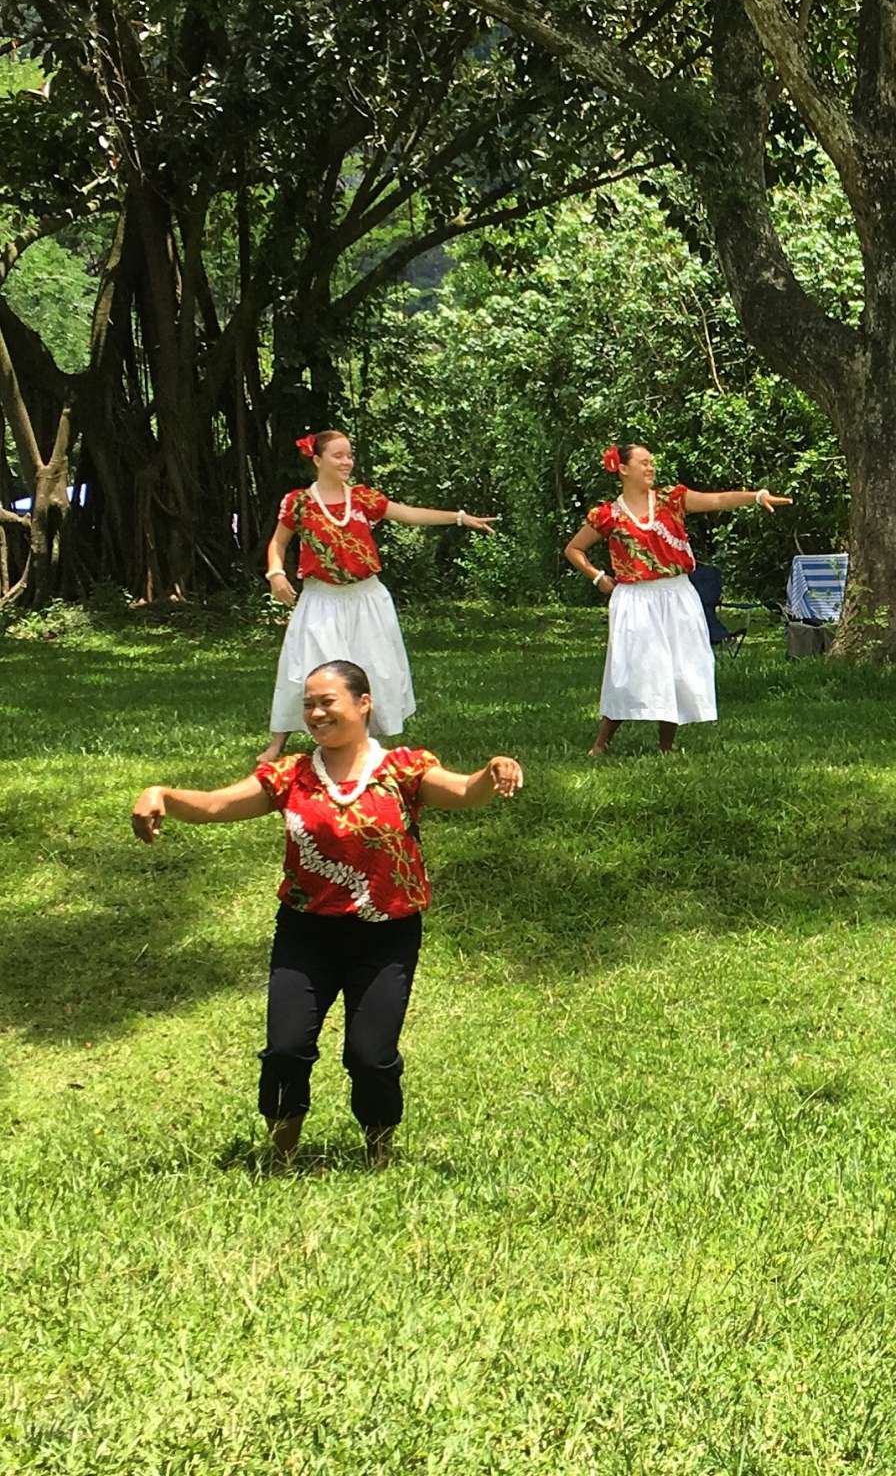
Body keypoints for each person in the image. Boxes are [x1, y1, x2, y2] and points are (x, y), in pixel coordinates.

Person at [131, 659, 523, 1167]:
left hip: (386, 934)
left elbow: (465, 792)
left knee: (370, 1056)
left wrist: (493, 770)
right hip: (306, 934)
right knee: (285, 1050)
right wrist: (162, 794)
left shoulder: (403, 769)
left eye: (327, 702)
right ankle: (281, 1156)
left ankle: (379, 1153)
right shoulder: (290, 774)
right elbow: (214, 805)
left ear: (364, 703)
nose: (316, 713)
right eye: (309, 705)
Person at [259, 430, 498, 764]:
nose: (347, 462)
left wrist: (458, 518)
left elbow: (408, 514)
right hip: (321, 600)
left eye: (349, 455)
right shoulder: (299, 502)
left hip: (366, 598)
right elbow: (279, 542)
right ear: (317, 460)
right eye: (338, 456)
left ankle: (366, 742)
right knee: (309, 668)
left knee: (371, 667)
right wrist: (276, 573)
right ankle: (278, 742)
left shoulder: (362, 498)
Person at [563, 443, 792, 755]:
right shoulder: (608, 515)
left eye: (651, 462)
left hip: (677, 593)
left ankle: (666, 746)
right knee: (630, 669)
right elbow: (574, 549)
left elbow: (718, 500)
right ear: (623, 468)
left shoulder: (671, 499)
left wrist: (756, 496)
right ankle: (601, 744)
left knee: (676, 666)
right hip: (635, 599)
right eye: (643, 462)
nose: (650, 467)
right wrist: (598, 577)